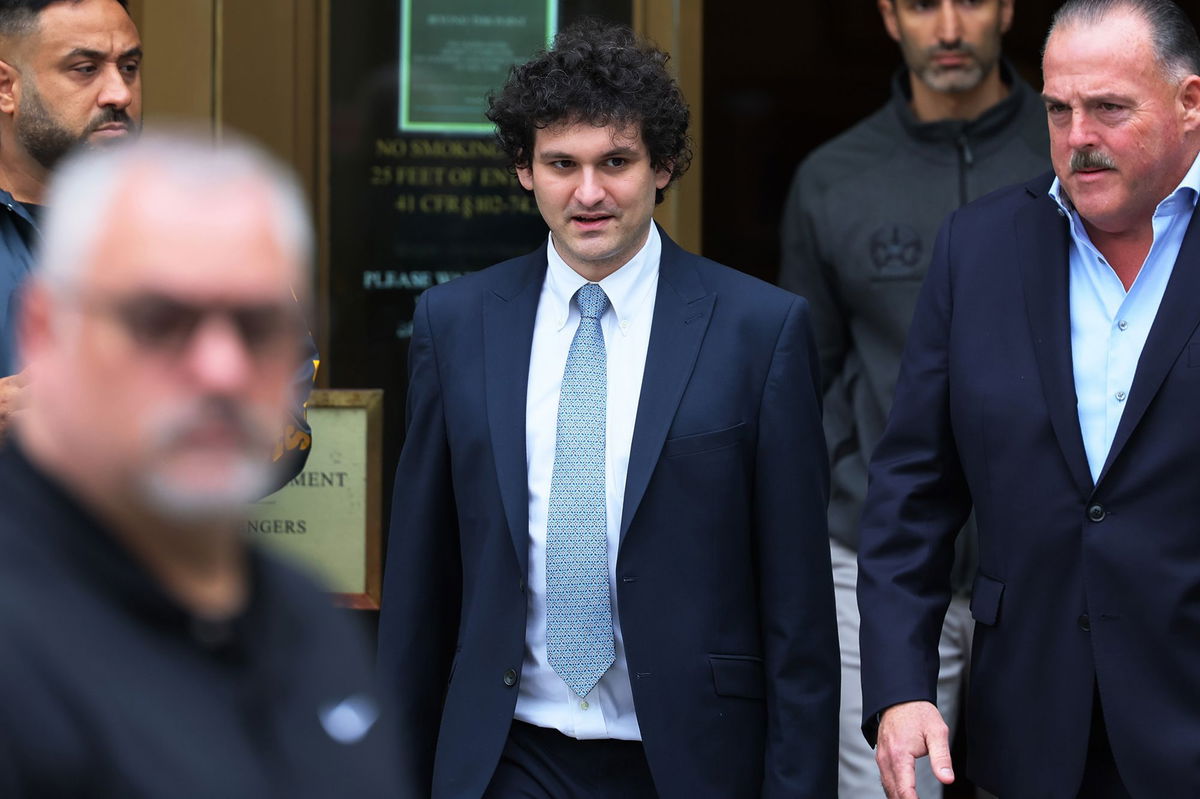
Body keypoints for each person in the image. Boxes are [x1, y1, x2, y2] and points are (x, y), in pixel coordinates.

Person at [377, 19, 838, 799]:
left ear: (662, 166)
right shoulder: (454, 325)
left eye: (615, 162)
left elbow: (797, 610)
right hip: (505, 754)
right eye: (562, 163)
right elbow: (423, 584)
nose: (588, 192)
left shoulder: (761, 331)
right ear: (524, 169)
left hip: (688, 759)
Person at [856, 0, 1200, 796]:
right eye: (1057, 109)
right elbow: (911, 489)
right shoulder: (977, 249)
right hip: (1026, 727)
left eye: (1109, 108)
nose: (1077, 136)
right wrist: (902, 686)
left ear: (1189, 103)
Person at [0, 131, 399, 797]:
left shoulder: (311, 626)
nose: (219, 370)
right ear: (45, 332)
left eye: (254, 324)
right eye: (160, 320)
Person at [777, 1, 1048, 796]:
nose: (951, 27)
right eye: (925, 4)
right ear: (890, 15)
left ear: (1006, 8)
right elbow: (807, 379)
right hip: (874, 563)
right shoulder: (833, 177)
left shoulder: (1071, 152)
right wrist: (842, 495)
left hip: (1045, 564)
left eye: (970, 0)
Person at [0, 0, 313, 482]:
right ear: (6, 87)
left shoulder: (206, 224)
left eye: (129, 67)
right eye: (85, 69)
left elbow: (286, 441)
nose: (119, 93)